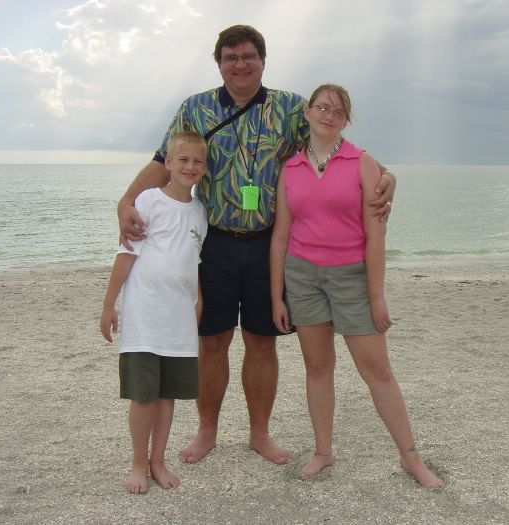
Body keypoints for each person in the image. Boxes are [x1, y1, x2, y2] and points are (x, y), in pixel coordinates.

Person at [116, 25, 396, 466]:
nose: (240, 64)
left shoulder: (288, 108)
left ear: (263, 61)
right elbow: (161, 159)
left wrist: (388, 175)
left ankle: (259, 434)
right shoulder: (196, 108)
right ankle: (207, 430)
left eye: (248, 56)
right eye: (231, 57)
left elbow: (335, 145)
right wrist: (127, 200)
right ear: (220, 63)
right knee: (212, 341)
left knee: (261, 342)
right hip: (215, 242)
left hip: (270, 243)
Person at [270, 84, 443, 488]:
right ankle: (323, 452)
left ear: (346, 120)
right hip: (302, 276)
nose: (329, 115)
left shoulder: (362, 163)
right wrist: (277, 294)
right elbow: (281, 234)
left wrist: (376, 293)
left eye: (339, 111)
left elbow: (375, 233)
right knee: (318, 367)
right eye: (322, 108)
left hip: (351, 276)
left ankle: (410, 457)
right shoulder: (290, 168)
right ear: (309, 113)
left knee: (377, 371)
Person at [100, 131, 209, 494]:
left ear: (204, 168)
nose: (190, 166)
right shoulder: (148, 200)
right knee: (144, 394)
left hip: (179, 320)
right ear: (168, 163)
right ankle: (137, 462)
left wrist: (198, 303)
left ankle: (157, 460)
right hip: (145, 315)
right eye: (183, 160)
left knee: (167, 395)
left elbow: (192, 262)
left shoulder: (200, 211)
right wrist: (108, 304)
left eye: (197, 161)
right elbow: (127, 252)